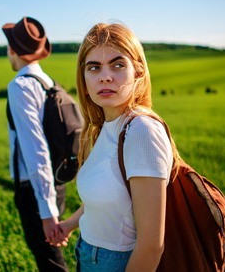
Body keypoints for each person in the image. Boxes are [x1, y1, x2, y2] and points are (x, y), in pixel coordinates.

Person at [49, 23, 181, 271]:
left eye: (118, 65)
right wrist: (69, 224)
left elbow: (151, 244)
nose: (105, 76)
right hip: (87, 252)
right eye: (94, 67)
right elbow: (107, 197)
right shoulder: (103, 128)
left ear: (138, 72)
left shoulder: (140, 130)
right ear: (84, 79)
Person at [2, 16, 68, 272]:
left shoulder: (20, 86)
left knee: (51, 263)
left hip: (35, 191)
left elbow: (35, 149)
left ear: (12, 50)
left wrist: (46, 211)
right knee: (53, 258)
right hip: (56, 183)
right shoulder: (49, 83)